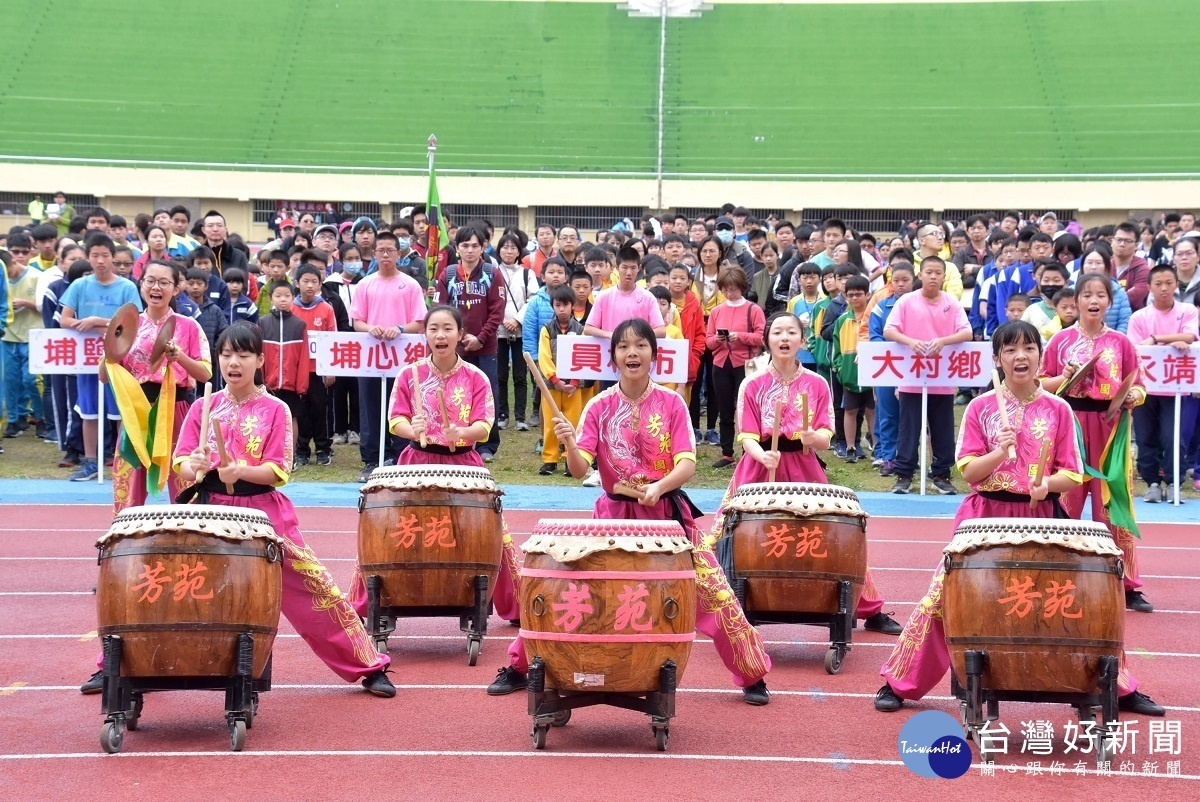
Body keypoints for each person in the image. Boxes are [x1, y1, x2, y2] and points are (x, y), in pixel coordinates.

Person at [82, 323, 394, 697]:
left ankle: (368, 665)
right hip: (209, 508)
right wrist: (194, 465)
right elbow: (181, 464)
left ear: (260, 360)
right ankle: (119, 665)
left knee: (315, 586)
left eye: (243, 355)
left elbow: (278, 471)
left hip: (263, 512)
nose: (234, 362)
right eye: (227, 354)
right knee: (169, 581)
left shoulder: (276, 409)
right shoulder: (203, 406)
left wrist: (241, 470)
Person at [874, 320, 1164, 717]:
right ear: (997, 359)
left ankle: (1119, 686)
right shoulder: (979, 407)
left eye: (1028, 348)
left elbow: (1075, 472)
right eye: (1010, 350)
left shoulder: (1059, 408)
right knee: (946, 597)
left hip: (1042, 515)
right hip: (984, 517)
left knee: (1073, 599)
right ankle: (899, 682)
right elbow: (969, 472)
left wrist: (1047, 484)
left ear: (1040, 357)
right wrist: (999, 453)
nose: (1020, 356)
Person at [488, 319, 773, 705]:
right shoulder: (598, 406)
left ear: (653, 354)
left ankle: (752, 672)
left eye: (640, 346)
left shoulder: (672, 402)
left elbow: (687, 463)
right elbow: (579, 469)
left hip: (666, 518)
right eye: (623, 347)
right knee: (568, 587)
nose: (632, 353)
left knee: (715, 593)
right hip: (612, 519)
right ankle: (521, 666)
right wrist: (571, 444)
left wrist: (659, 487)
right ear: (614, 356)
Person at [710, 312, 902, 635]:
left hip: (803, 465)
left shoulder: (816, 383)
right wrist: (763, 455)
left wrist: (814, 438)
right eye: (777, 333)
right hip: (760, 465)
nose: (784, 338)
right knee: (727, 533)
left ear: (802, 340)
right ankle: (717, 604)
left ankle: (867, 606)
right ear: (767, 339)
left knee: (833, 535)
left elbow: (826, 437)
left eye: (791, 333)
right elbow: (746, 437)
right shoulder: (752, 384)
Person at [347, 305, 522, 625]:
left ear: (459, 334)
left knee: (490, 532)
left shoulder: (476, 377)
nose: (440, 335)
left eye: (447, 329)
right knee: (390, 529)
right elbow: (394, 420)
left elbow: (484, 425)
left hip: (464, 464)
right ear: (425, 334)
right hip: (416, 462)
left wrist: (463, 432)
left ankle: (515, 606)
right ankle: (365, 601)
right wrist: (412, 430)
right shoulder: (409, 374)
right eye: (433, 329)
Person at [1041, 274, 1152, 613]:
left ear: (1109, 301)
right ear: (1075, 301)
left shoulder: (1121, 342)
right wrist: (1066, 378)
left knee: (1113, 505)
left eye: (1101, 294)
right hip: (1070, 427)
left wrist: (1133, 395)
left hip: (1111, 428)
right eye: (1086, 294)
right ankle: (1058, 576)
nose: (1093, 300)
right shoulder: (1059, 340)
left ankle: (1126, 582)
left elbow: (1139, 384)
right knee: (1066, 503)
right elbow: (1042, 383)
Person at [109, 260, 211, 513]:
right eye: (150, 281)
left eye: (164, 282)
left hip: (177, 409)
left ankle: (190, 534)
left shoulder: (189, 326)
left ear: (176, 289)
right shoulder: (127, 326)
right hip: (136, 412)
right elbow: (105, 375)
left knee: (183, 478)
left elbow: (205, 373)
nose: (156, 287)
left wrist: (180, 358)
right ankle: (125, 538)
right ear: (141, 285)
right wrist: (109, 347)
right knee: (130, 481)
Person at [883, 256, 973, 495]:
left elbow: (967, 332)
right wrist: (910, 342)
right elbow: (889, 330)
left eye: (938, 273)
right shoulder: (906, 301)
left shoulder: (951, 302)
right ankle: (904, 475)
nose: (933, 277)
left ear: (944, 276)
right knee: (908, 429)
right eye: (929, 272)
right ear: (919, 275)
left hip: (942, 377)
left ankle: (941, 475)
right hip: (911, 377)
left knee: (943, 429)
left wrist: (943, 341)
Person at [60, 235, 141, 481]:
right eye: (95, 255)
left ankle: (123, 462)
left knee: (121, 412)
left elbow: (134, 320)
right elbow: (65, 319)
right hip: (88, 360)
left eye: (105, 255)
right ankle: (90, 462)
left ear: (113, 257)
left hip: (119, 360)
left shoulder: (127, 287)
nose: (100, 260)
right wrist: (85, 323)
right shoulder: (79, 286)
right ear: (88, 257)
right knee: (89, 412)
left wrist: (97, 321)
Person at [349, 230, 428, 481]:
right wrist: (371, 328)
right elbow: (357, 321)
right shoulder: (365, 284)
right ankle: (372, 459)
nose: (385, 255)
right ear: (373, 253)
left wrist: (400, 329)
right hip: (371, 357)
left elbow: (419, 321)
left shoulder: (410, 284)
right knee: (369, 407)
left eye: (390, 251)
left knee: (401, 406)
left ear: (398, 253)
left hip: (402, 358)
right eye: (380, 250)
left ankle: (399, 455)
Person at [433, 226, 507, 462]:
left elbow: (498, 311)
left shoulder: (492, 273)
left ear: (483, 247)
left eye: (475, 245)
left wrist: (481, 337)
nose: (470, 250)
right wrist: (454, 337)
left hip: (485, 347)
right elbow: (440, 310)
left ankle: (487, 445)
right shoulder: (448, 275)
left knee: (486, 394)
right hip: (455, 349)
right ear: (457, 248)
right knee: (455, 393)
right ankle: (454, 437)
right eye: (465, 245)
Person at [1128, 264, 1198, 503]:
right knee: (1146, 437)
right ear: (1149, 287)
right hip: (1146, 388)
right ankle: (1152, 483)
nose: (1164, 288)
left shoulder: (1187, 310)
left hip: (1175, 388)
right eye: (1158, 284)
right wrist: (1172, 343)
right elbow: (1135, 349)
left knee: (1173, 437)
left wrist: (1158, 339)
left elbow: (1189, 337)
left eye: (1169, 283)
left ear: (1176, 285)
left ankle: (1174, 481)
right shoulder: (1139, 317)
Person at [705, 268, 765, 468]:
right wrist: (718, 339)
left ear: (742, 288)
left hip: (745, 364)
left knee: (747, 408)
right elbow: (709, 341)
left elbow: (761, 336)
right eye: (726, 290)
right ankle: (727, 452)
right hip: (721, 363)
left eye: (734, 289)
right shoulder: (716, 311)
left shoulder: (753, 310)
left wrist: (740, 336)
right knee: (725, 408)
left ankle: (749, 449)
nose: (730, 294)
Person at [536, 286, 587, 474]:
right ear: (553, 307)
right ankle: (549, 459)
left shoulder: (581, 330)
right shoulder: (547, 329)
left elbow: (583, 356)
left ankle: (569, 458)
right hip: (552, 385)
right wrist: (554, 378)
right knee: (551, 421)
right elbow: (544, 356)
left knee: (572, 422)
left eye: (565, 305)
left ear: (572, 306)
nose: (562, 309)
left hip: (574, 386)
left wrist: (574, 381)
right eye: (558, 305)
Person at [291, 265, 337, 467]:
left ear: (320, 284)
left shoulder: (326, 308)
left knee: (320, 409)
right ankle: (301, 450)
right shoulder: (290, 309)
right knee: (300, 411)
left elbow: (333, 340)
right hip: (296, 370)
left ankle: (323, 448)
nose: (310, 286)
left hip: (318, 370)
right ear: (297, 283)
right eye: (305, 281)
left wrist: (330, 369)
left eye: (314, 282)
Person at [496, 232, 540, 432]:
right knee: (500, 375)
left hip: (521, 331)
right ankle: (502, 415)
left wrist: (516, 320)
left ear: (519, 251)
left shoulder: (527, 273)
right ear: (499, 250)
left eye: (513, 247)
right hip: (497, 331)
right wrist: (502, 320)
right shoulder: (493, 271)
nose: (509, 251)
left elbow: (532, 299)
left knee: (521, 376)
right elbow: (491, 301)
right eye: (505, 247)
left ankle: (520, 417)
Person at [831, 275, 874, 463]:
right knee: (850, 410)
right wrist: (840, 368)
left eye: (859, 294)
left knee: (872, 410)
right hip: (849, 374)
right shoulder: (842, 321)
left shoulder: (875, 317)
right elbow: (836, 350)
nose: (854, 298)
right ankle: (850, 446)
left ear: (868, 295)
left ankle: (877, 446)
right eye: (850, 295)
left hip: (874, 373)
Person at [3, 236, 42, 439]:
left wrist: (26, 303)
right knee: (10, 380)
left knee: (31, 381)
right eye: (15, 251)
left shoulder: (36, 276)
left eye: (23, 252)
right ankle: (15, 419)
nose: (19, 256)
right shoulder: (2, 275)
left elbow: (46, 307)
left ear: (30, 253)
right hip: (8, 336)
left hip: (32, 336)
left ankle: (41, 417)